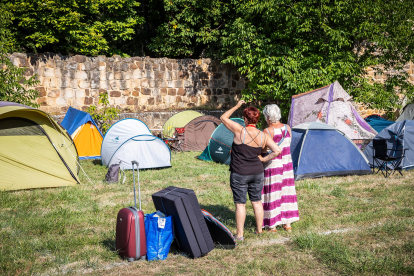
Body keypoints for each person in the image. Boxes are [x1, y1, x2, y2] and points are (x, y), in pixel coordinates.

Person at [220, 100, 281, 241]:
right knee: (257, 202)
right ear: (258, 119)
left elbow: (223, 118)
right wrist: (264, 159)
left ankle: (240, 235)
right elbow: (277, 150)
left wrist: (236, 106)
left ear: (245, 119)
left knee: (240, 204)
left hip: (239, 173)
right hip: (257, 173)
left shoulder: (239, 130)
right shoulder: (263, 135)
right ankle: (259, 231)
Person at [261, 104, 299, 232]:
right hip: (287, 164)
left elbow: (265, 148)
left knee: (273, 192)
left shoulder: (268, 131)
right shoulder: (287, 128)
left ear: (268, 116)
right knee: (286, 192)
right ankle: (287, 223)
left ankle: (272, 224)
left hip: (273, 164)